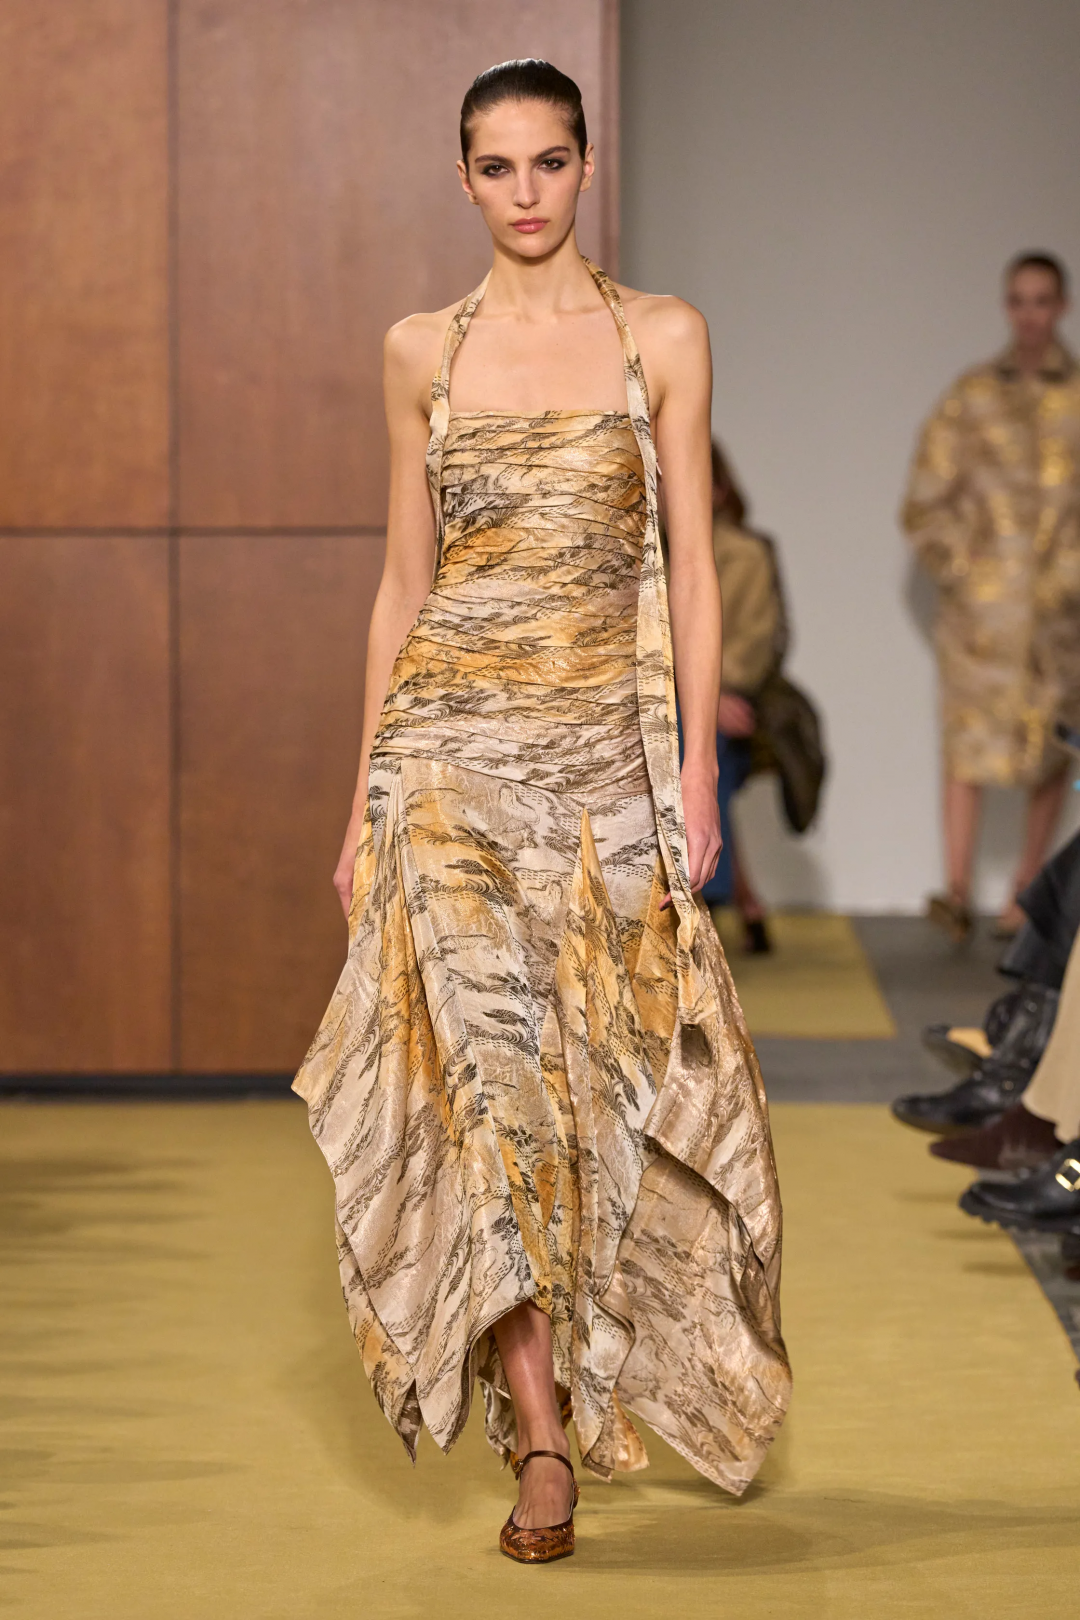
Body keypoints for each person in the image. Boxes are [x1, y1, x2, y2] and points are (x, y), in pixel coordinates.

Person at [292, 60, 790, 1565]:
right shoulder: (419, 351)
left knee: (610, 1083)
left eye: (549, 162)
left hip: (601, 763)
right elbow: (404, 581)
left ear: (585, 166)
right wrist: (362, 798)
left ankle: (603, 1368)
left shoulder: (662, 337)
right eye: (497, 167)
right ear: (464, 180)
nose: (525, 192)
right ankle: (544, 1435)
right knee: (487, 1085)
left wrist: (692, 772)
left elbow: (692, 569)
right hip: (445, 758)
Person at [902, 252, 1080, 942]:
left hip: (1060, 615)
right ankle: (955, 889)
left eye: (1042, 300)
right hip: (980, 618)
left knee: (1053, 747)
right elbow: (924, 499)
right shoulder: (972, 397)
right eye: (1019, 300)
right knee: (966, 743)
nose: (1030, 315)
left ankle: (1026, 886)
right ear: (1007, 306)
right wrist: (965, 568)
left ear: (1061, 306)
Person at [698, 441, 788, 952]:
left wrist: (707, 695)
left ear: (719, 489)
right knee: (690, 740)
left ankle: (706, 897)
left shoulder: (745, 554)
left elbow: (755, 645)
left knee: (698, 748)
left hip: (734, 697)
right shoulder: (638, 550)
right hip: (674, 702)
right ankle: (737, 896)